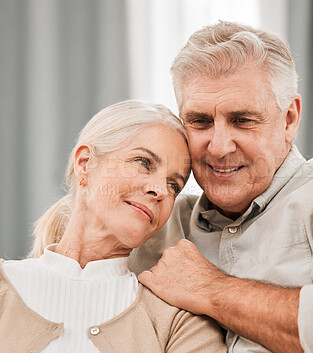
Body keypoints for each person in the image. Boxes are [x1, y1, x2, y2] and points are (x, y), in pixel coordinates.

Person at [129, 21, 313, 353]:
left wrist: (213, 290)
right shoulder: (157, 220)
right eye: (200, 121)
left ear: (289, 119)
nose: (218, 147)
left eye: (242, 120)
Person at [0, 100, 227, 353]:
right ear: (85, 164)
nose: (160, 190)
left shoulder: (180, 323)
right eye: (143, 162)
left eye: (174, 185)